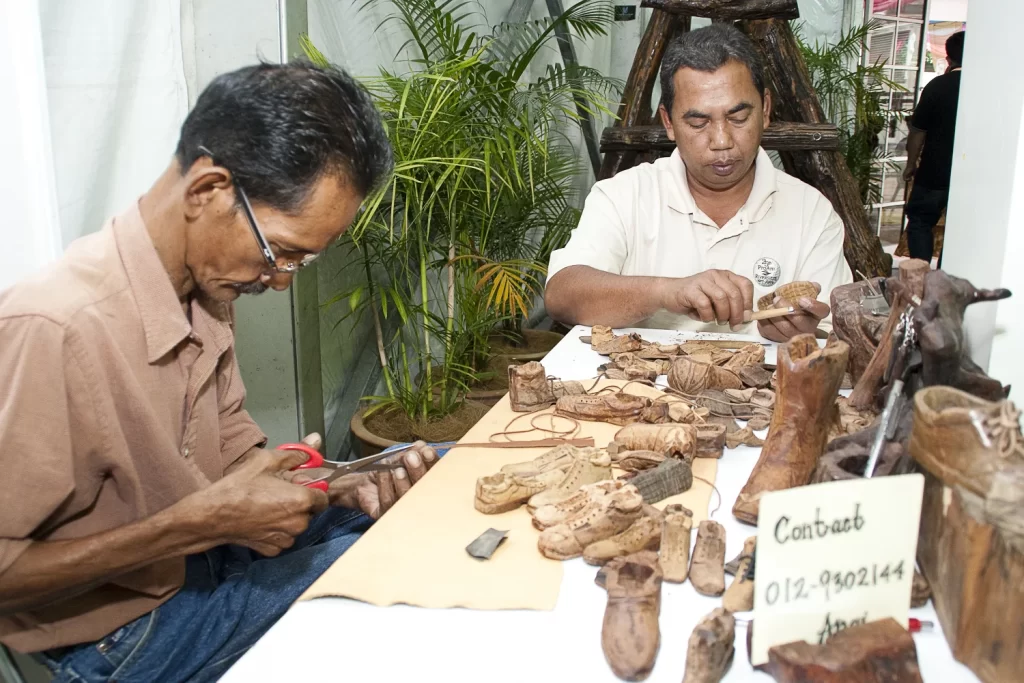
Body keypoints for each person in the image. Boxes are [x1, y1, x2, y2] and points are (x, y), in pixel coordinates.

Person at [0, 62, 438, 682]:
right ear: (208, 189)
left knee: (438, 471)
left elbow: (231, 459)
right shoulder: (55, 327)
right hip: (128, 631)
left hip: (204, 553)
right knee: (401, 569)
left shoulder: (207, 286)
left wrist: (336, 482)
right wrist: (195, 525)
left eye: (302, 261)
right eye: (281, 251)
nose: (280, 281)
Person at [544, 24, 853, 342]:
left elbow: (837, 336)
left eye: (738, 118)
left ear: (765, 109)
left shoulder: (810, 213)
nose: (721, 141)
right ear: (668, 122)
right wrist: (665, 292)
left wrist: (803, 331)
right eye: (698, 122)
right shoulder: (624, 195)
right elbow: (562, 294)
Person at [903, 30, 965, 263]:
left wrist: (911, 164)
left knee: (920, 221)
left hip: (934, 172)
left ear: (949, 59)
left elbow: (918, 131)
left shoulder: (938, 86)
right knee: (961, 228)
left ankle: (920, 276)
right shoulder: (988, 89)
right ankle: (948, 274)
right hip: (973, 176)